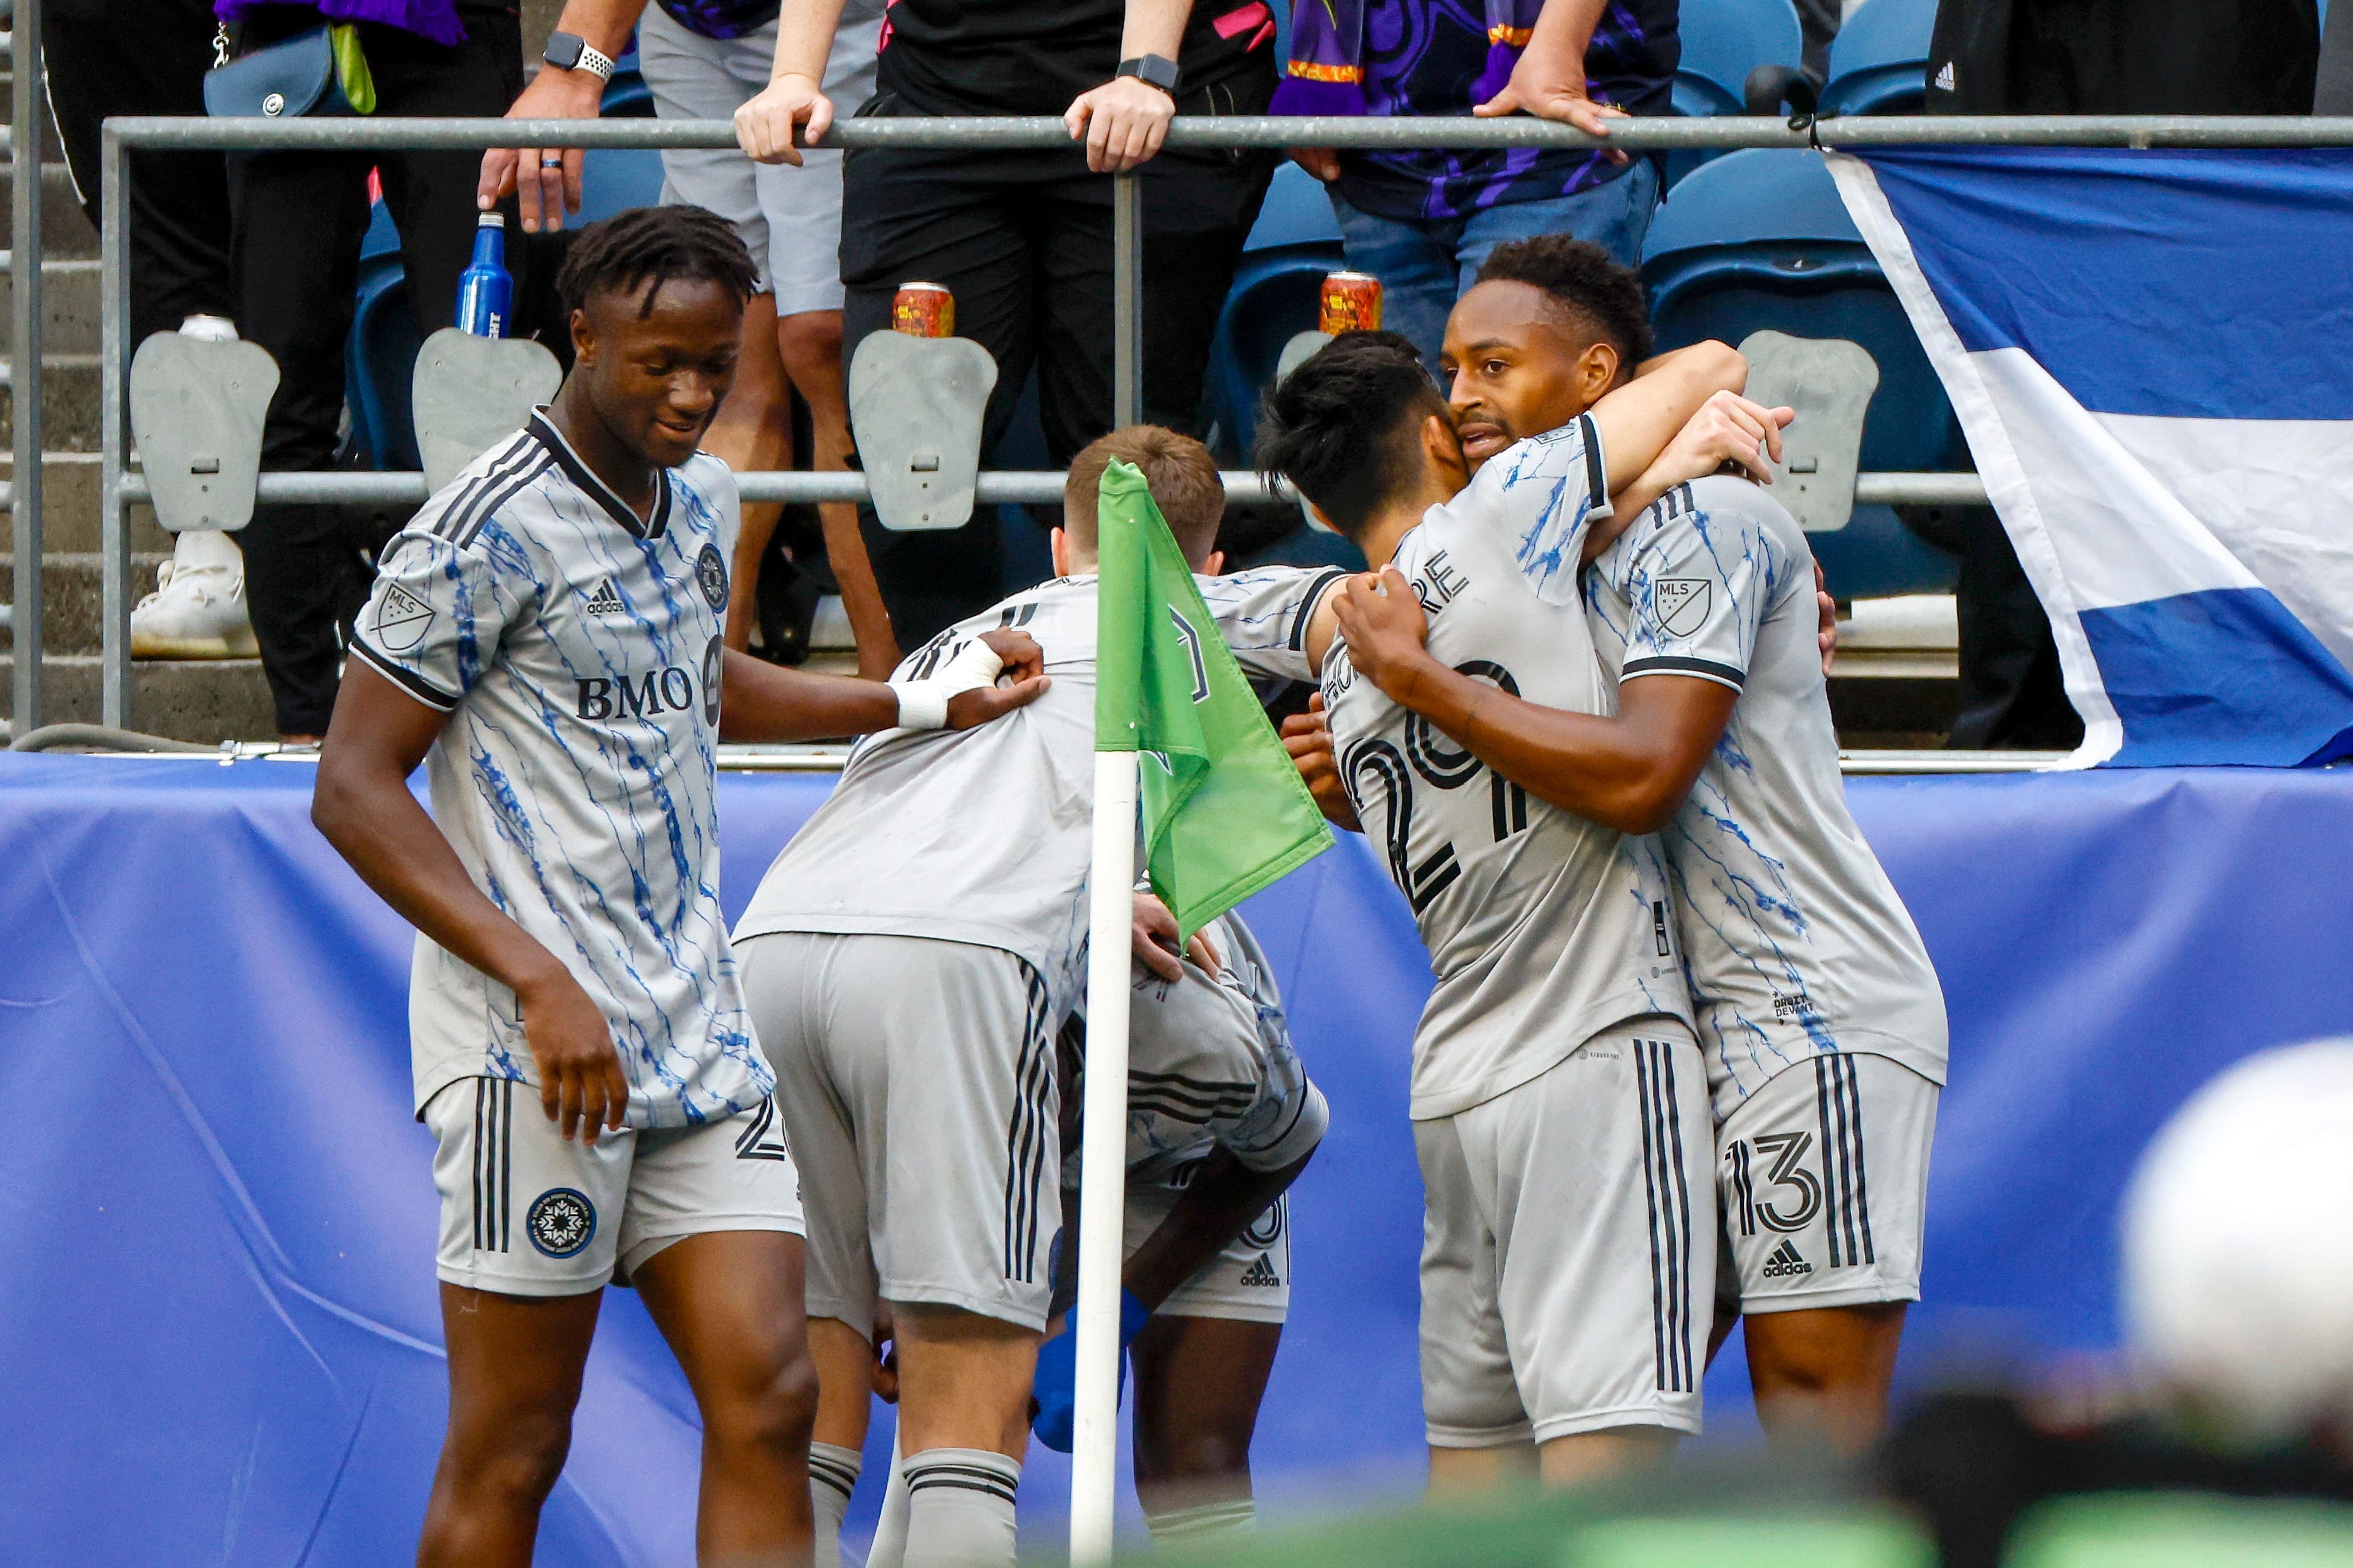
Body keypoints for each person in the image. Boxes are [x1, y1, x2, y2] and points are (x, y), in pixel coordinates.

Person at [308, 205, 1047, 1567]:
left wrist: (905, 699)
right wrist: (537, 980)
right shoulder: (477, 530)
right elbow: (349, 786)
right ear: (579, 338)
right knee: (516, 1445)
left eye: (716, 363)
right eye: (660, 364)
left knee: (770, 1396)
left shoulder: (690, 500)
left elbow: (696, 680)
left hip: (693, 1041)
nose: (696, 394)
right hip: (533, 1058)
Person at [731, 426, 1342, 1567]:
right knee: (967, 1427)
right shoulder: (1186, 610)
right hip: (961, 964)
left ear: (1060, 547)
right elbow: (1366, 607)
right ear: (1210, 573)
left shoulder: (960, 639)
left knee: (804, 1434)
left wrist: (1109, 887)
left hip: (771, 948)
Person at [1256, 328, 1761, 1486]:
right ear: (1440, 436)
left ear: (1327, 513)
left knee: (1476, 1488)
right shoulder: (1503, 510)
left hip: (1457, 1082)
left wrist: (1645, 480)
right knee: (1608, 1484)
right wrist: (1676, 447)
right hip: (1590, 1052)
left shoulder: (1342, 657)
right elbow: (1716, 363)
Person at [732, 0, 1285, 647]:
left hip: (1149, 99)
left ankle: (1131, 714)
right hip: (938, 100)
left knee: (1124, 444)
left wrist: (1144, 71)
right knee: (910, 446)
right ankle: (954, 709)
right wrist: (794, 74)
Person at [478, 0, 899, 678]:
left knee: (823, 342)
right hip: (693, 27)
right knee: (720, 344)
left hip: (836, 23)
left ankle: (889, 697)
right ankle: (712, 685)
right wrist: (577, 70)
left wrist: (577, 68)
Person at [206, 0, 533, 740]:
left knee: (487, 398)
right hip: (286, 32)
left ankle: (500, 704)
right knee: (276, 397)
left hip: (448, 27)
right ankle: (304, 722)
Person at [1035, 895, 1328, 1541]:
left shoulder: (1209, 1051)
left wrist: (1114, 1310)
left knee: (1193, 1471)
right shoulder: (959, 1023)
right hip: (1069, 1117)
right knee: (967, 1421)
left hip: (1213, 1154)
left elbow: (1292, 1136)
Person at [1275, 0, 1677, 372]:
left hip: (1554, 144)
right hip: (1381, 144)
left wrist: (1557, 49)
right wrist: (1313, 74)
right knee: (1395, 425)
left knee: (1530, 431)